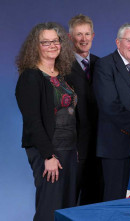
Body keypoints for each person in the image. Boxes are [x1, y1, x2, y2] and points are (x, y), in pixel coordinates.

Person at [15, 22, 78, 220]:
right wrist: (48, 156)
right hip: (49, 151)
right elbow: (32, 121)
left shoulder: (64, 75)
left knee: (68, 208)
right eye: (45, 42)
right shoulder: (30, 77)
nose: (52, 45)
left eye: (55, 41)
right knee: (49, 208)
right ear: (36, 46)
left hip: (69, 149)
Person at [93, 23, 130, 201]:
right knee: (116, 199)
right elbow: (109, 104)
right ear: (118, 42)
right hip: (116, 147)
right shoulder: (105, 65)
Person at [67, 14, 103, 205]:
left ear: (93, 35)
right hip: (75, 143)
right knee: (71, 196)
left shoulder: (102, 65)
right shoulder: (62, 66)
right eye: (79, 34)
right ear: (70, 37)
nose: (83, 39)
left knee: (96, 195)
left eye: (87, 34)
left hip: (99, 141)